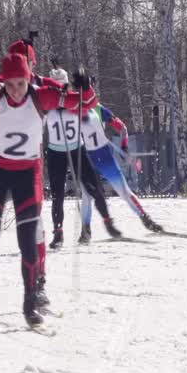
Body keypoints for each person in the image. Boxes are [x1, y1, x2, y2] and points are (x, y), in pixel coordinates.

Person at [0, 53, 95, 327]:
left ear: (28, 79)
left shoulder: (41, 97)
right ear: (3, 82)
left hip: (27, 174)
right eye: (9, 85)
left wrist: (85, 87)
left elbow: (85, 104)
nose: (15, 91)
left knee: (27, 240)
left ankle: (29, 301)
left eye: (20, 84)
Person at [42, 68, 122, 247]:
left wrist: (86, 86)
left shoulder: (74, 100)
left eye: (63, 86)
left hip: (77, 149)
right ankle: (58, 233)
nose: (59, 91)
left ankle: (108, 222)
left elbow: (92, 102)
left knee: (95, 187)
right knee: (58, 195)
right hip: (56, 153)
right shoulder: (46, 104)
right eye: (55, 87)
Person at [77, 105, 165, 233]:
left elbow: (122, 127)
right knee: (87, 195)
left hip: (103, 156)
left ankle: (146, 219)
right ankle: (85, 230)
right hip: (89, 158)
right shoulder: (73, 108)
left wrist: (124, 147)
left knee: (123, 191)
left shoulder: (98, 109)